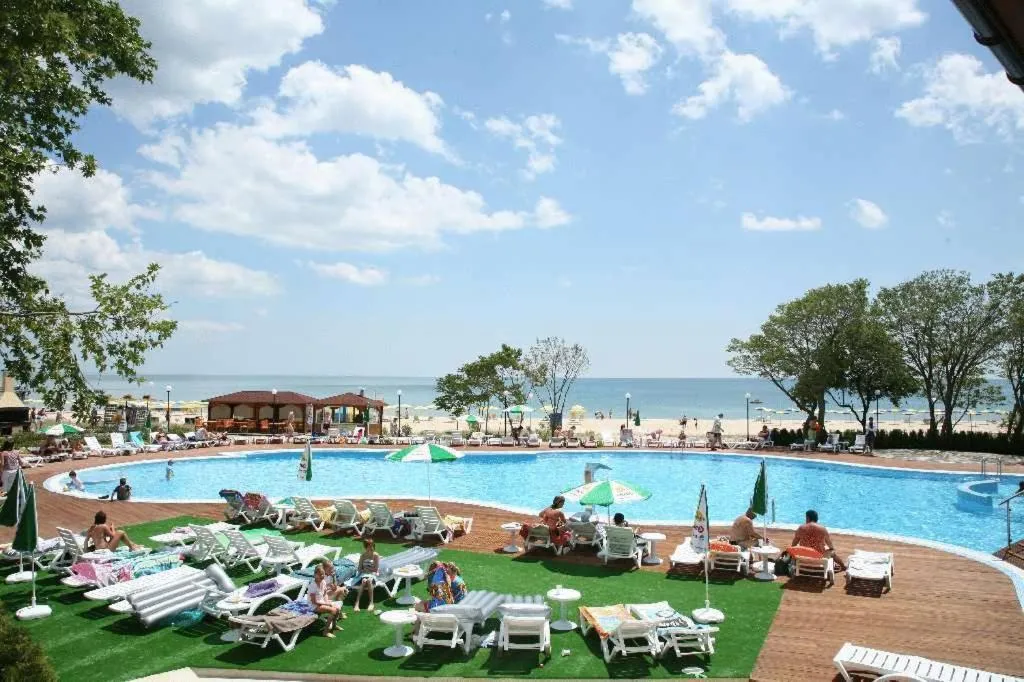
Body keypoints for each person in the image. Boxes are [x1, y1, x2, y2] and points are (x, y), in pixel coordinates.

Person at [308, 560, 343, 637]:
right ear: (315, 575)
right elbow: (314, 602)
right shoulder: (312, 585)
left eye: (323, 574)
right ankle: (325, 631)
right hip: (314, 606)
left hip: (321, 602)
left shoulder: (323, 582)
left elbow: (324, 594)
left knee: (337, 608)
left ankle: (334, 626)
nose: (322, 576)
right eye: (320, 574)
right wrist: (327, 604)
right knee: (333, 610)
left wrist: (327, 601)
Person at [352, 538, 380, 611]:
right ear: (365, 547)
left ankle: (371, 603)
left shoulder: (375, 555)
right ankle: (357, 603)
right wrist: (364, 570)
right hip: (364, 574)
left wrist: (368, 570)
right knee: (364, 581)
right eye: (369, 546)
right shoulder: (363, 556)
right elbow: (359, 568)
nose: (371, 548)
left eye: (372, 546)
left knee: (369, 581)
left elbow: (376, 569)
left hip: (373, 574)